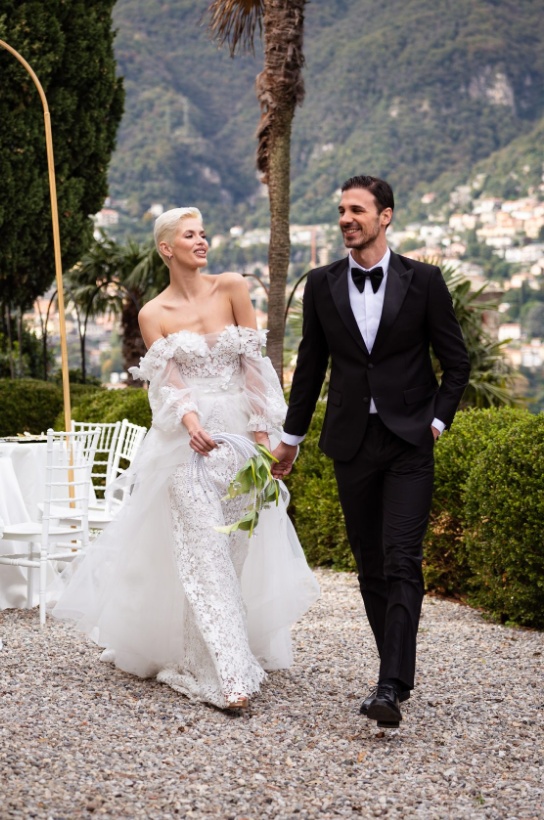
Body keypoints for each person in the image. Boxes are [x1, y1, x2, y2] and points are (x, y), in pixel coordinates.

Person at [52, 207, 319, 710]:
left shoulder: (233, 287)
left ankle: (209, 653)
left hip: (241, 445)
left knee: (231, 554)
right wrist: (192, 424)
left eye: (203, 233)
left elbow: (255, 368)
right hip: (185, 447)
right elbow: (168, 383)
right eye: (190, 235)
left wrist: (265, 440)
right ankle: (228, 675)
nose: (201, 241)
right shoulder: (152, 313)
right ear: (166, 248)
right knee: (204, 554)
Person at [272, 176, 470, 728]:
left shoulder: (423, 281)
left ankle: (388, 685)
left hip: (409, 441)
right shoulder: (321, 283)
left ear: (385, 216)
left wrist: (436, 423)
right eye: (341, 210)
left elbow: (457, 363)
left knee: (402, 557)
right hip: (351, 442)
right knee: (370, 564)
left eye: (357, 210)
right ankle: (395, 673)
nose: (346, 219)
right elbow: (310, 369)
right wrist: (290, 441)